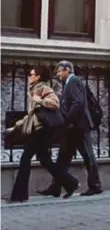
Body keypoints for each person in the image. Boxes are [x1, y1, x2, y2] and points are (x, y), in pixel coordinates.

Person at [7, 65, 79, 202]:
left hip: (42, 130)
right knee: (45, 160)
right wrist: (14, 128)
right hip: (39, 130)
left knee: (25, 158)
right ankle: (71, 183)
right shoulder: (33, 90)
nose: (29, 76)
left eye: (31, 74)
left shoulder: (43, 88)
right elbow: (31, 116)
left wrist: (39, 100)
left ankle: (19, 196)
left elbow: (55, 103)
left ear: (38, 77)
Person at [37, 61, 102, 197]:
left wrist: (67, 119)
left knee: (88, 156)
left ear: (67, 70)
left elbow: (78, 103)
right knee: (63, 158)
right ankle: (55, 187)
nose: (58, 74)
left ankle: (95, 186)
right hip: (72, 128)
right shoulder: (69, 83)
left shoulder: (73, 81)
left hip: (79, 127)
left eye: (60, 71)